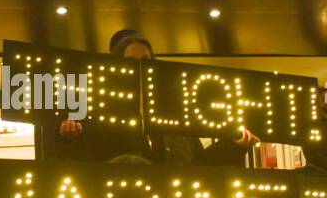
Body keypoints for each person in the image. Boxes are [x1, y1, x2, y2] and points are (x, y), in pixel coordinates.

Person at [55, 28, 257, 166]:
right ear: (117, 67)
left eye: (146, 60)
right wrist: (70, 140)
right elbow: (87, 166)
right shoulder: (102, 117)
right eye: (131, 61)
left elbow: (197, 165)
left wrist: (234, 146)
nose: (141, 67)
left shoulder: (175, 118)